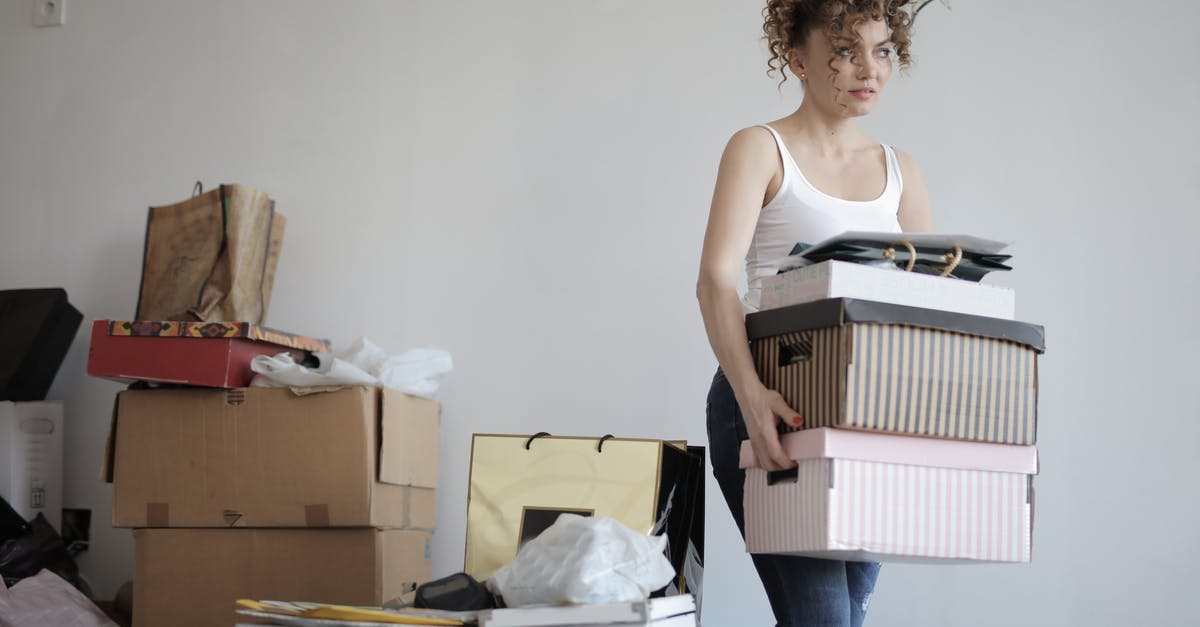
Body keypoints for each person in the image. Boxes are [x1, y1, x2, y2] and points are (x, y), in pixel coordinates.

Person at [696, 1, 934, 625]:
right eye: (846, 51)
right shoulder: (760, 148)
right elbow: (716, 282)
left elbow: (929, 306)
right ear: (797, 59)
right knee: (825, 619)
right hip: (774, 398)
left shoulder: (900, 172)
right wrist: (751, 401)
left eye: (882, 50)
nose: (869, 69)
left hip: (872, 416)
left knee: (844, 617)